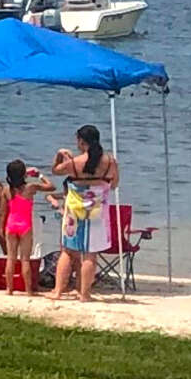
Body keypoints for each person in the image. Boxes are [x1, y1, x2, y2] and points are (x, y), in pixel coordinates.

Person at [51, 124, 119, 302]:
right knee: (91, 253)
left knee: (67, 251)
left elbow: (55, 170)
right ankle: (85, 294)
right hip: (97, 210)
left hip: (75, 210)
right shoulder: (110, 162)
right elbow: (114, 184)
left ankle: (58, 291)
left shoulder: (75, 163)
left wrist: (59, 155)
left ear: (81, 141)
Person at [0, 161, 50, 295]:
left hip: (11, 224)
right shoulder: (30, 187)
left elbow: (3, 212)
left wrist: (1, 228)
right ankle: (28, 290)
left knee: (11, 258)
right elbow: (51, 186)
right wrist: (39, 175)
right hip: (25, 225)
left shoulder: (6, 190)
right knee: (25, 259)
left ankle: (9, 289)